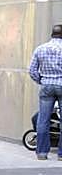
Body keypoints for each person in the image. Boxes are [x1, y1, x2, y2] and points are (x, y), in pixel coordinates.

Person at [29, 24, 62, 160]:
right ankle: (61, 155)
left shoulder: (40, 49)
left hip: (46, 86)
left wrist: (42, 80)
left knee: (43, 120)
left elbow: (32, 70)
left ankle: (42, 153)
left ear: (52, 34)